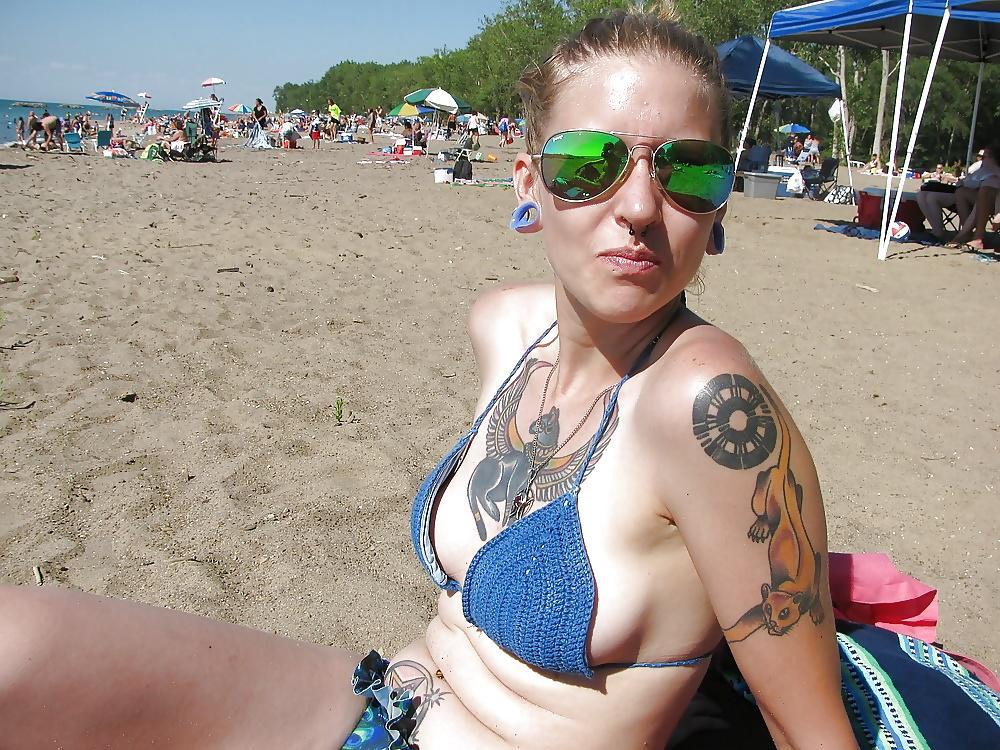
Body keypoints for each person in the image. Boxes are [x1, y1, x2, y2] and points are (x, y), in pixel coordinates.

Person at [1, 8, 998, 750]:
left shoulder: (710, 409)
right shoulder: (505, 326)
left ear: (718, 205)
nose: (638, 206)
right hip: (381, 704)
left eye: (687, 170)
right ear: (528, 185)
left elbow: (811, 734)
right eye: (588, 163)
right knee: (19, 644)